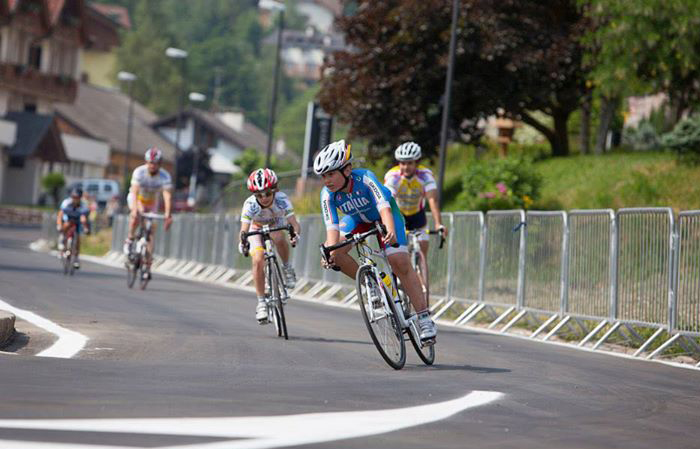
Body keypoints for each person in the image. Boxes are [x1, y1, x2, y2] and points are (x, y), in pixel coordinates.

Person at [314, 139, 437, 342]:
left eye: (331, 174)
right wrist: (328, 251)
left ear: (347, 170)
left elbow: (384, 207)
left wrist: (389, 230)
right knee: (335, 254)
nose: (327, 180)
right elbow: (332, 229)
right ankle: (370, 285)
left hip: (385, 215)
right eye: (324, 176)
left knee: (399, 261)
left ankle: (424, 318)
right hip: (356, 220)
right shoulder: (327, 195)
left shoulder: (365, 178)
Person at [384, 141, 448, 299]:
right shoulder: (392, 176)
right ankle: (394, 284)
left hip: (418, 216)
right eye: (402, 163)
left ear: (417, 163)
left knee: (422, 254)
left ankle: (423, 288)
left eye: (410, 163)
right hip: (399, 216)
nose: (406, 167)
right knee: (396, 254)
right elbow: (388, 202)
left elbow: (432, 200)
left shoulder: (425, 175)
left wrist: (439, 223)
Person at [238, 168, 301, 324]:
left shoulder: (282, 199)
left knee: (279, 237)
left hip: (276, 224)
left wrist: (295, 235)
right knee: (258, 259)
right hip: (256, 228)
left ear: (274, 190)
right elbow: (244, 229)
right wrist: (243, 242)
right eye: (259, 195)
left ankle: (287, 268)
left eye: (267, 193)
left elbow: (294, 223)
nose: (264, 198)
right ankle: (261, 303)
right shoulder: (250, 204)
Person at [123, 147, 173, 279]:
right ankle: (129, 240)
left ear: (159, 164)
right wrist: (134, 210)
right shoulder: (139, 172)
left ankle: (147, 265)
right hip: (137, 199)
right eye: (150, 162)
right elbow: (134, 192)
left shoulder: (164, 176)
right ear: (146, 162)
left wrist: (168, 214)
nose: (152, 165)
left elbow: (167, 196)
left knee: (151, 232)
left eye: (155, 163)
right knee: (136, 218)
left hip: (152, 202)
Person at [56, 187, 90, 269]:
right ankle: (62, 239)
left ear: (80, 198)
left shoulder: (83, 204)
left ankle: (76, 258)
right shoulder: (66, 203)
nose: (75, 199)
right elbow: (60, 214)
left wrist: (86, 228)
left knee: (78, 238)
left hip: (77, 220)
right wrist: (59, 225)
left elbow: (84, 217)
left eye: (77, 198)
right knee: (67, 224)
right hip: (67, 218)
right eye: (74, 197)